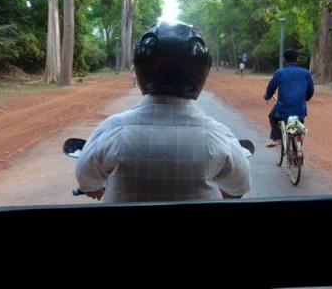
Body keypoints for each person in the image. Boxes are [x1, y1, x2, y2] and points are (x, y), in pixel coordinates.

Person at [75, 21, 251, 202]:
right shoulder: (217, 135)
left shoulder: (114, 129)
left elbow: (87, 182)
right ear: (201, 72)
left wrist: (94, 190)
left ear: (140, 69)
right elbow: (238, 188)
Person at [264, 48, 314, 147]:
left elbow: (271, 88)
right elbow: (311, 90)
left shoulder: (279, 72)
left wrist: (267, 96)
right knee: (299, 122)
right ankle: (298, 143)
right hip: (300, 109)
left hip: (283, 109)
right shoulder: (305, 73)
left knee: (272, 116)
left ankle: (277, 138)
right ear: (297, 59)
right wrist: (306, 98)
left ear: (284, 60)